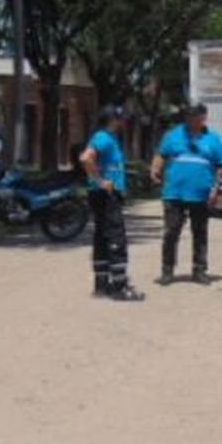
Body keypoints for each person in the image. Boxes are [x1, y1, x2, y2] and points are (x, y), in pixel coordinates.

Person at [151, 103, 222, 285]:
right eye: (188, 115)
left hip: (201, 194)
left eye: (195, 116)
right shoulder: (174, 135)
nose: (191, 119)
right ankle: (167, 271)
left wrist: (215, 189)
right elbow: (161, 154)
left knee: (200, 234)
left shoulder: (214, 139)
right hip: (174, 193)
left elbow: (221, 165)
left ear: (203, 117)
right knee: (171, 233)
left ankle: (199, 271)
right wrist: (155, 169)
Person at [80, 105, 143, 301]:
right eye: (121, 119)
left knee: (102, 237)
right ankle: (119, 286)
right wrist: (100, 180)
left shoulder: (111, 138)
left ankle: (101, 284)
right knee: (116, 237)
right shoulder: (103, 138)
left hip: (103, 194)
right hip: (105, 194)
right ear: (112, 120)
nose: (124, 122)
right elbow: (86, 158)